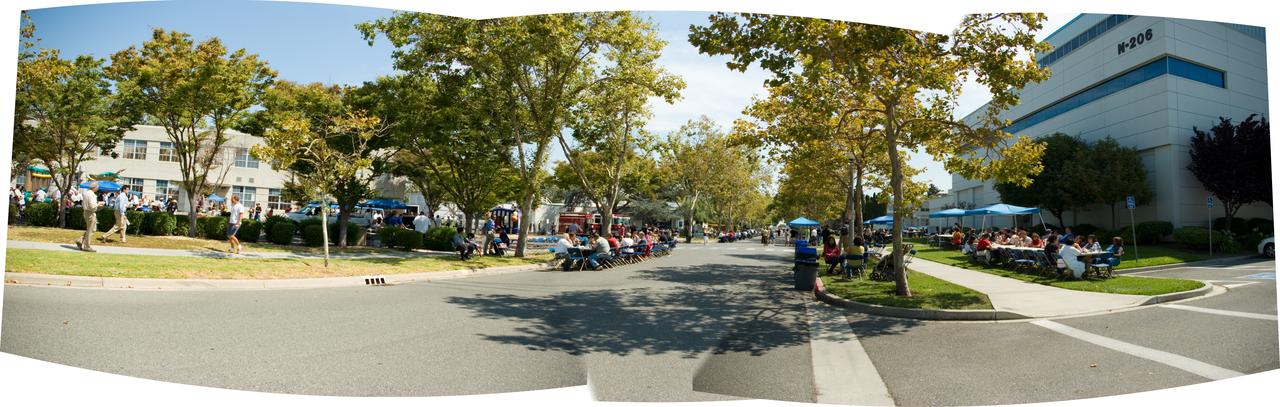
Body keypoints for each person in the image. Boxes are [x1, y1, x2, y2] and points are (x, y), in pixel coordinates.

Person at [75, 182, 101, 252]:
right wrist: (98, 204)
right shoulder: (92, 195)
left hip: (86, 212)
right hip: (90, 213)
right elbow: (92, 206)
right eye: (97, 187)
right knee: (91, 229)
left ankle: (80, 240)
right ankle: (87, 246)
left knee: (92, 229)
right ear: (95, 187)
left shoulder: (86, 193)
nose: (98, 188)